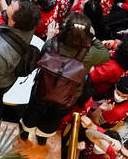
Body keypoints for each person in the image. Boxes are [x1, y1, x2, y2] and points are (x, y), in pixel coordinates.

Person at [19, 12, 93, 145]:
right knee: (53, 119)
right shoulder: (90, 54)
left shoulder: (51, 44)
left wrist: (49, 37)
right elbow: (100, 58)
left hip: (43, 89)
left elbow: (41, 57)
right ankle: (42, 139)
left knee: (33, 111)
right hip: (67, 97)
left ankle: (24, 133)